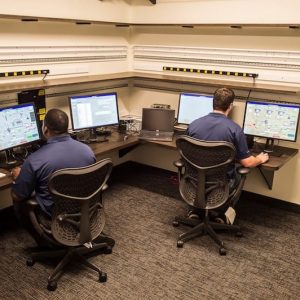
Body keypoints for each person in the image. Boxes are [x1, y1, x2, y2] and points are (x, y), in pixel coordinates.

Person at [11, 108, 97, 246]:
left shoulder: (35, 160)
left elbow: (18, 195)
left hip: (55, 216)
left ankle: (46, 243)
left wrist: (18, 177)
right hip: (85, 210)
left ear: (45, 129)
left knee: (20, 200)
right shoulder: (87, 150)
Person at [186, 87, 269, 221]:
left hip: (193, 181)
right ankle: (220, 213)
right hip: (220, 184)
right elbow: (247, 162)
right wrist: (259, 158)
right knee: (239, 173)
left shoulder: (194, 124)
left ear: (213, 103)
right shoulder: (235, 130)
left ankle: (196, 210)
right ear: (230, 106)